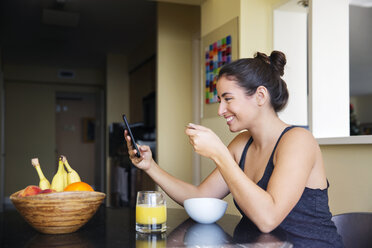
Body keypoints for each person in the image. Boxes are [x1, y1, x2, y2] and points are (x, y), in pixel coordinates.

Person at [125, 51, 343, 247]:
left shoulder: (298, 141)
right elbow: (200, 196)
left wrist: (220, 154)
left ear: (260, 96)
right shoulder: (242, 144)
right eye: (220, 100)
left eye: (228, 99)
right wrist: (150, 166)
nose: (221, 110)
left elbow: (268, 219)